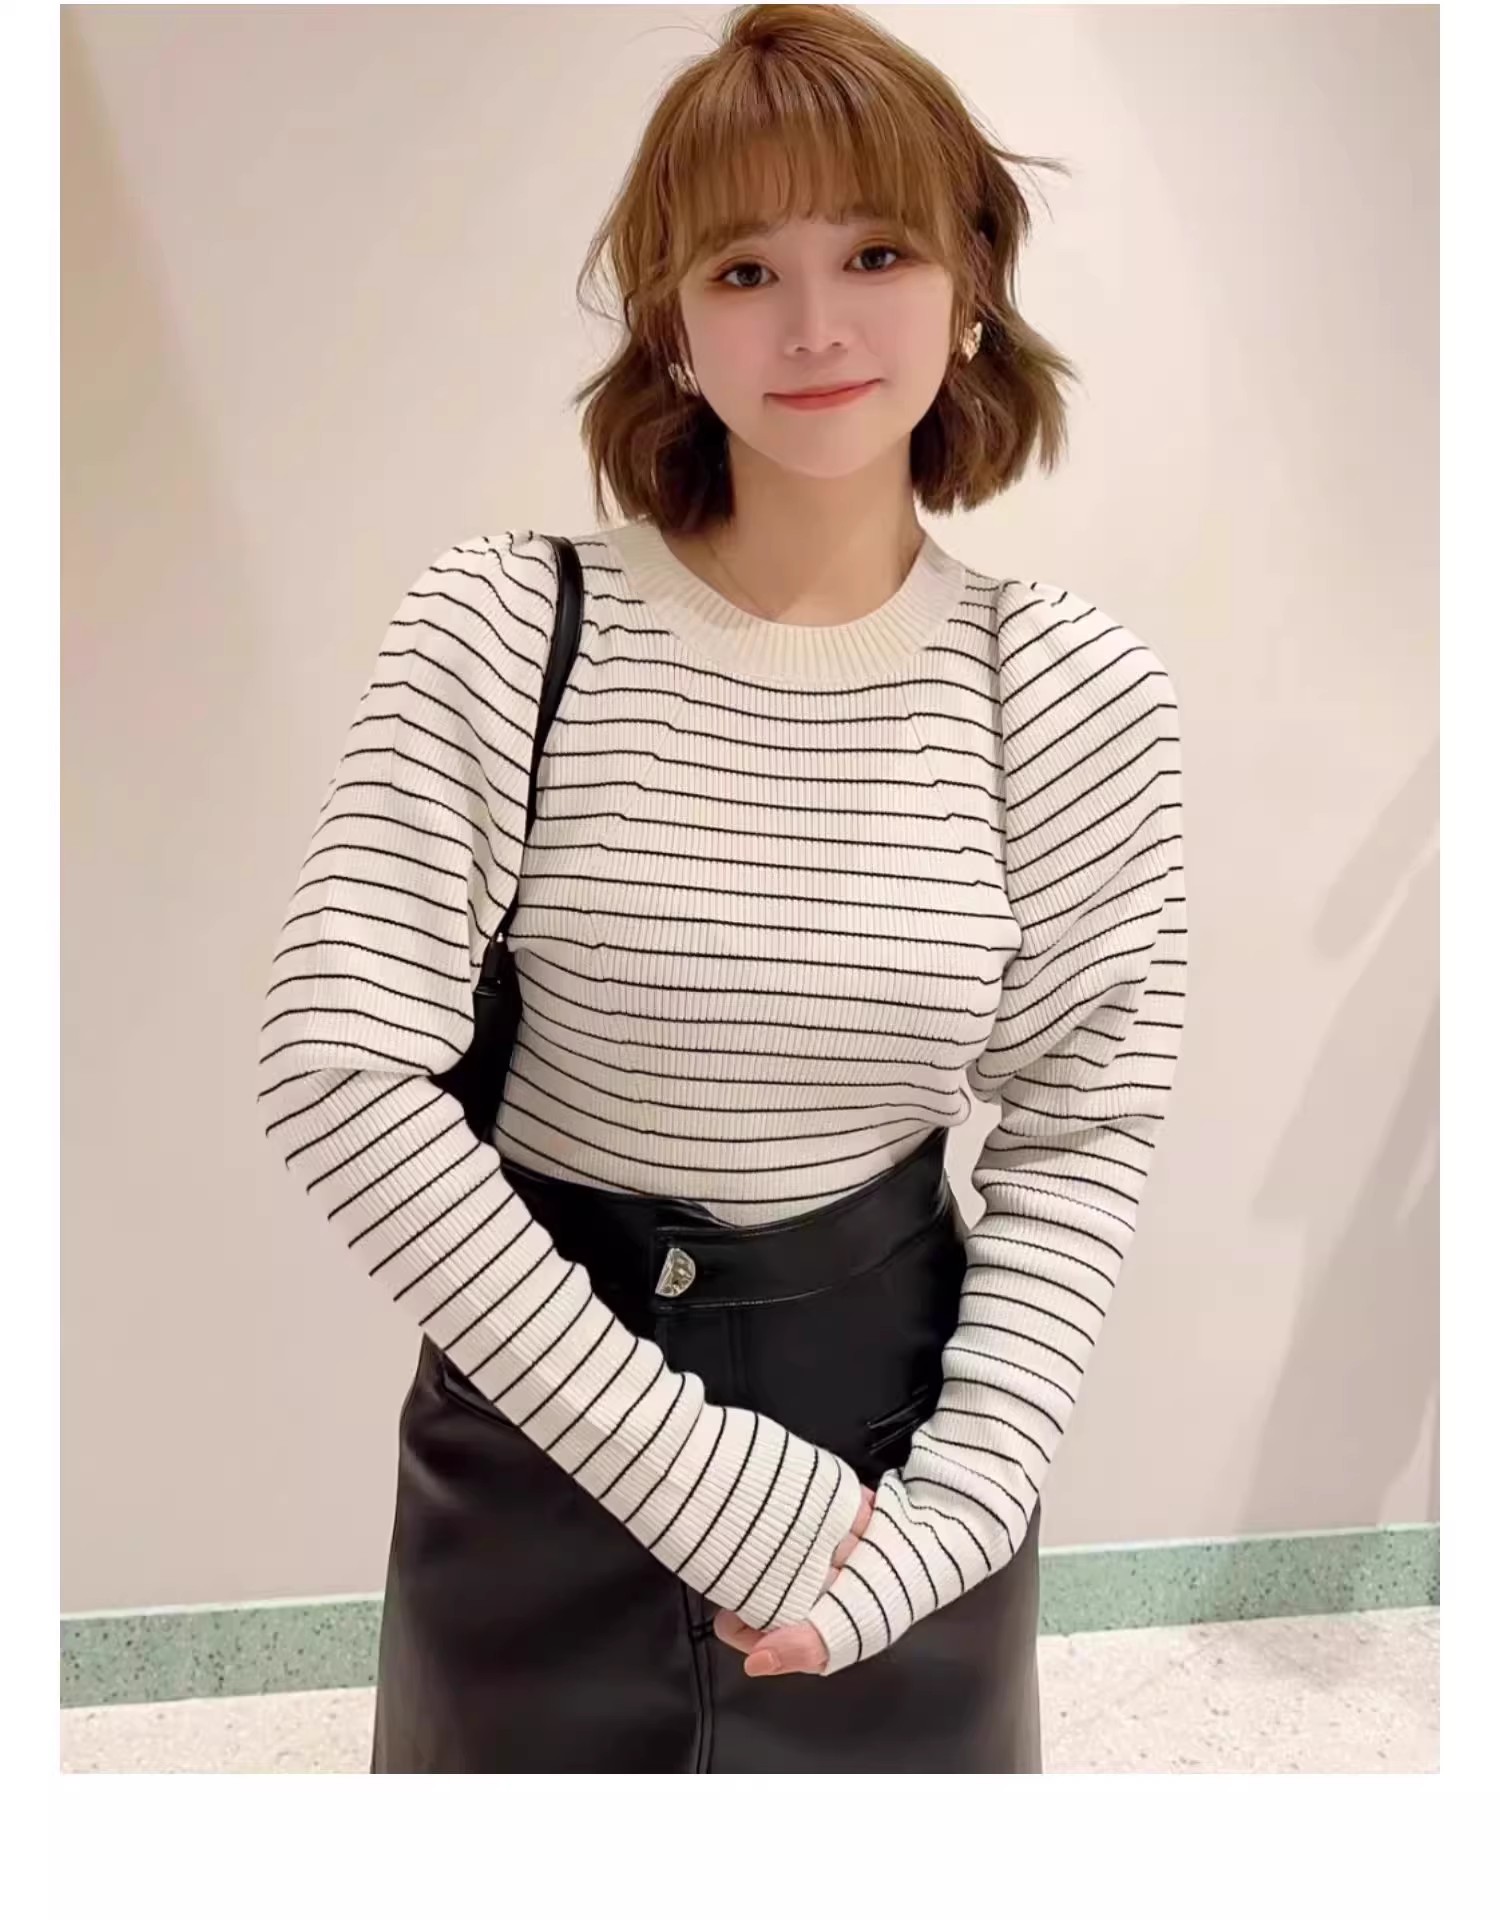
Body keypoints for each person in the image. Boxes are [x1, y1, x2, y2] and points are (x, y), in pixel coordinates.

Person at [256, 2, 1186, 1773]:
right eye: (744, 269)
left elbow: (1084, 1124)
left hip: (901, 1472)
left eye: (878, 252)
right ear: (673, 328)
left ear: (972, 285)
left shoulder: (1064, 687)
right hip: (540, 1427)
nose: (816, 324)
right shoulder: (505, 621)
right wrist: (704, 1483)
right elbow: (337, 1066)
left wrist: (958, 1511)